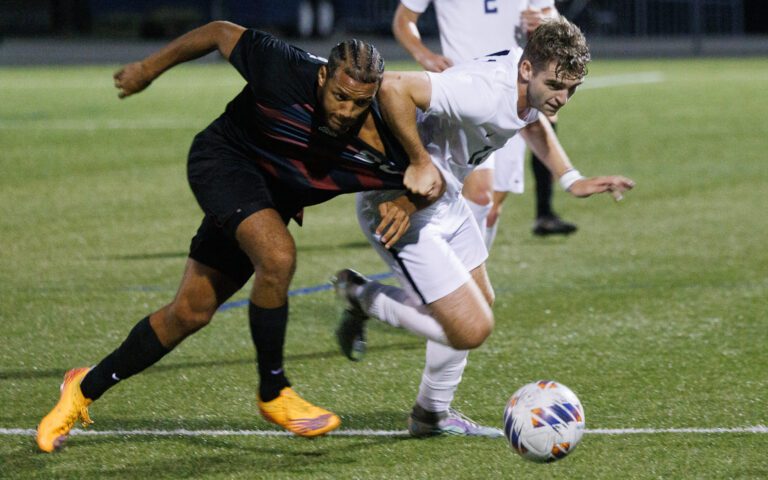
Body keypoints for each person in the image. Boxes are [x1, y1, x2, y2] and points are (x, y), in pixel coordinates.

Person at [35, 21, 444, 452]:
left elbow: (435, 180)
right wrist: (148, 68)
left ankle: (81, 389)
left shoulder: (390, 139)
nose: (345, 111)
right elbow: (217, 32)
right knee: (278, 256)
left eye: (359, 103)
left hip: (269, 200)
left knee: (189, 313)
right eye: (339, 96)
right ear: (322, 77)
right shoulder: (283, 68)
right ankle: (273, 391)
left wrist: (407, 204)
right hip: (225, 162)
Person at [333, 18, 634, 437]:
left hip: (444, 196)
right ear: (527, 70)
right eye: (556, 86)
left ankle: (430, 414)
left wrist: (571, 179)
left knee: (481, 300)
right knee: (470, 327)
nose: (563, 98)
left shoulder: (527, 82)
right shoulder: (483, 91)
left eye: (572, 89)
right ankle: (360, 294)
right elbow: (392, 87)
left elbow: (530, 118)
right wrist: (420, 162)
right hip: (399, 203)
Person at [392, 0, 577, 243]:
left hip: (517, 93)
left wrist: (544, 22)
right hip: (466, 95)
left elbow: (551, 19)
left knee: (489, 209)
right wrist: (424, 55)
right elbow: (403, 20)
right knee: (479, 195)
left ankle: (465, 275)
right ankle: (445, 273)